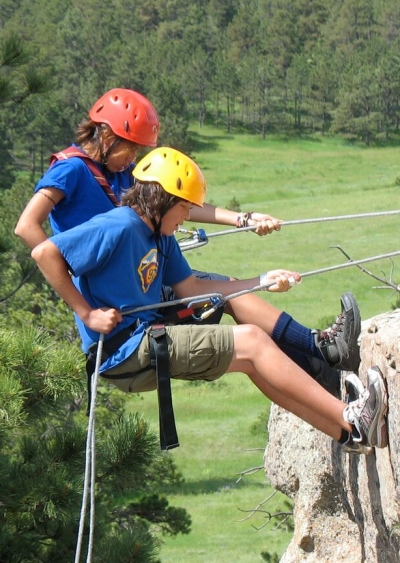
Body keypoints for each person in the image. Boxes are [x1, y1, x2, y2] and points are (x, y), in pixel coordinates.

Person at [30, 147, 388, 456]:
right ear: (162, 201)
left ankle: (347, 431)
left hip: (141, 340)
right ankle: (352, 416)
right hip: (124, 351)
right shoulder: (118, 226)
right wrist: (87, 314)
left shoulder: (160, 235)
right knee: (250, 343)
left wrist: (262, 281)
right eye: (184, 207)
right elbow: (46, 252)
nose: (188, 215)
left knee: (244, 342)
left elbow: (192, 289)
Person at [15, 88, 361, 398]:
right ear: (107, 136)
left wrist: (242, 219)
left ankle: (317, 354)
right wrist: (76, 283)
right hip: (116, 286)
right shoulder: (71, 170)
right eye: (131, 147)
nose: (134, 158)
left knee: (225, 290)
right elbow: (27, 227)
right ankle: (320, 353)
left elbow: (171, 200)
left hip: (143, 272)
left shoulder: (120, 171)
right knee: (222, 294)